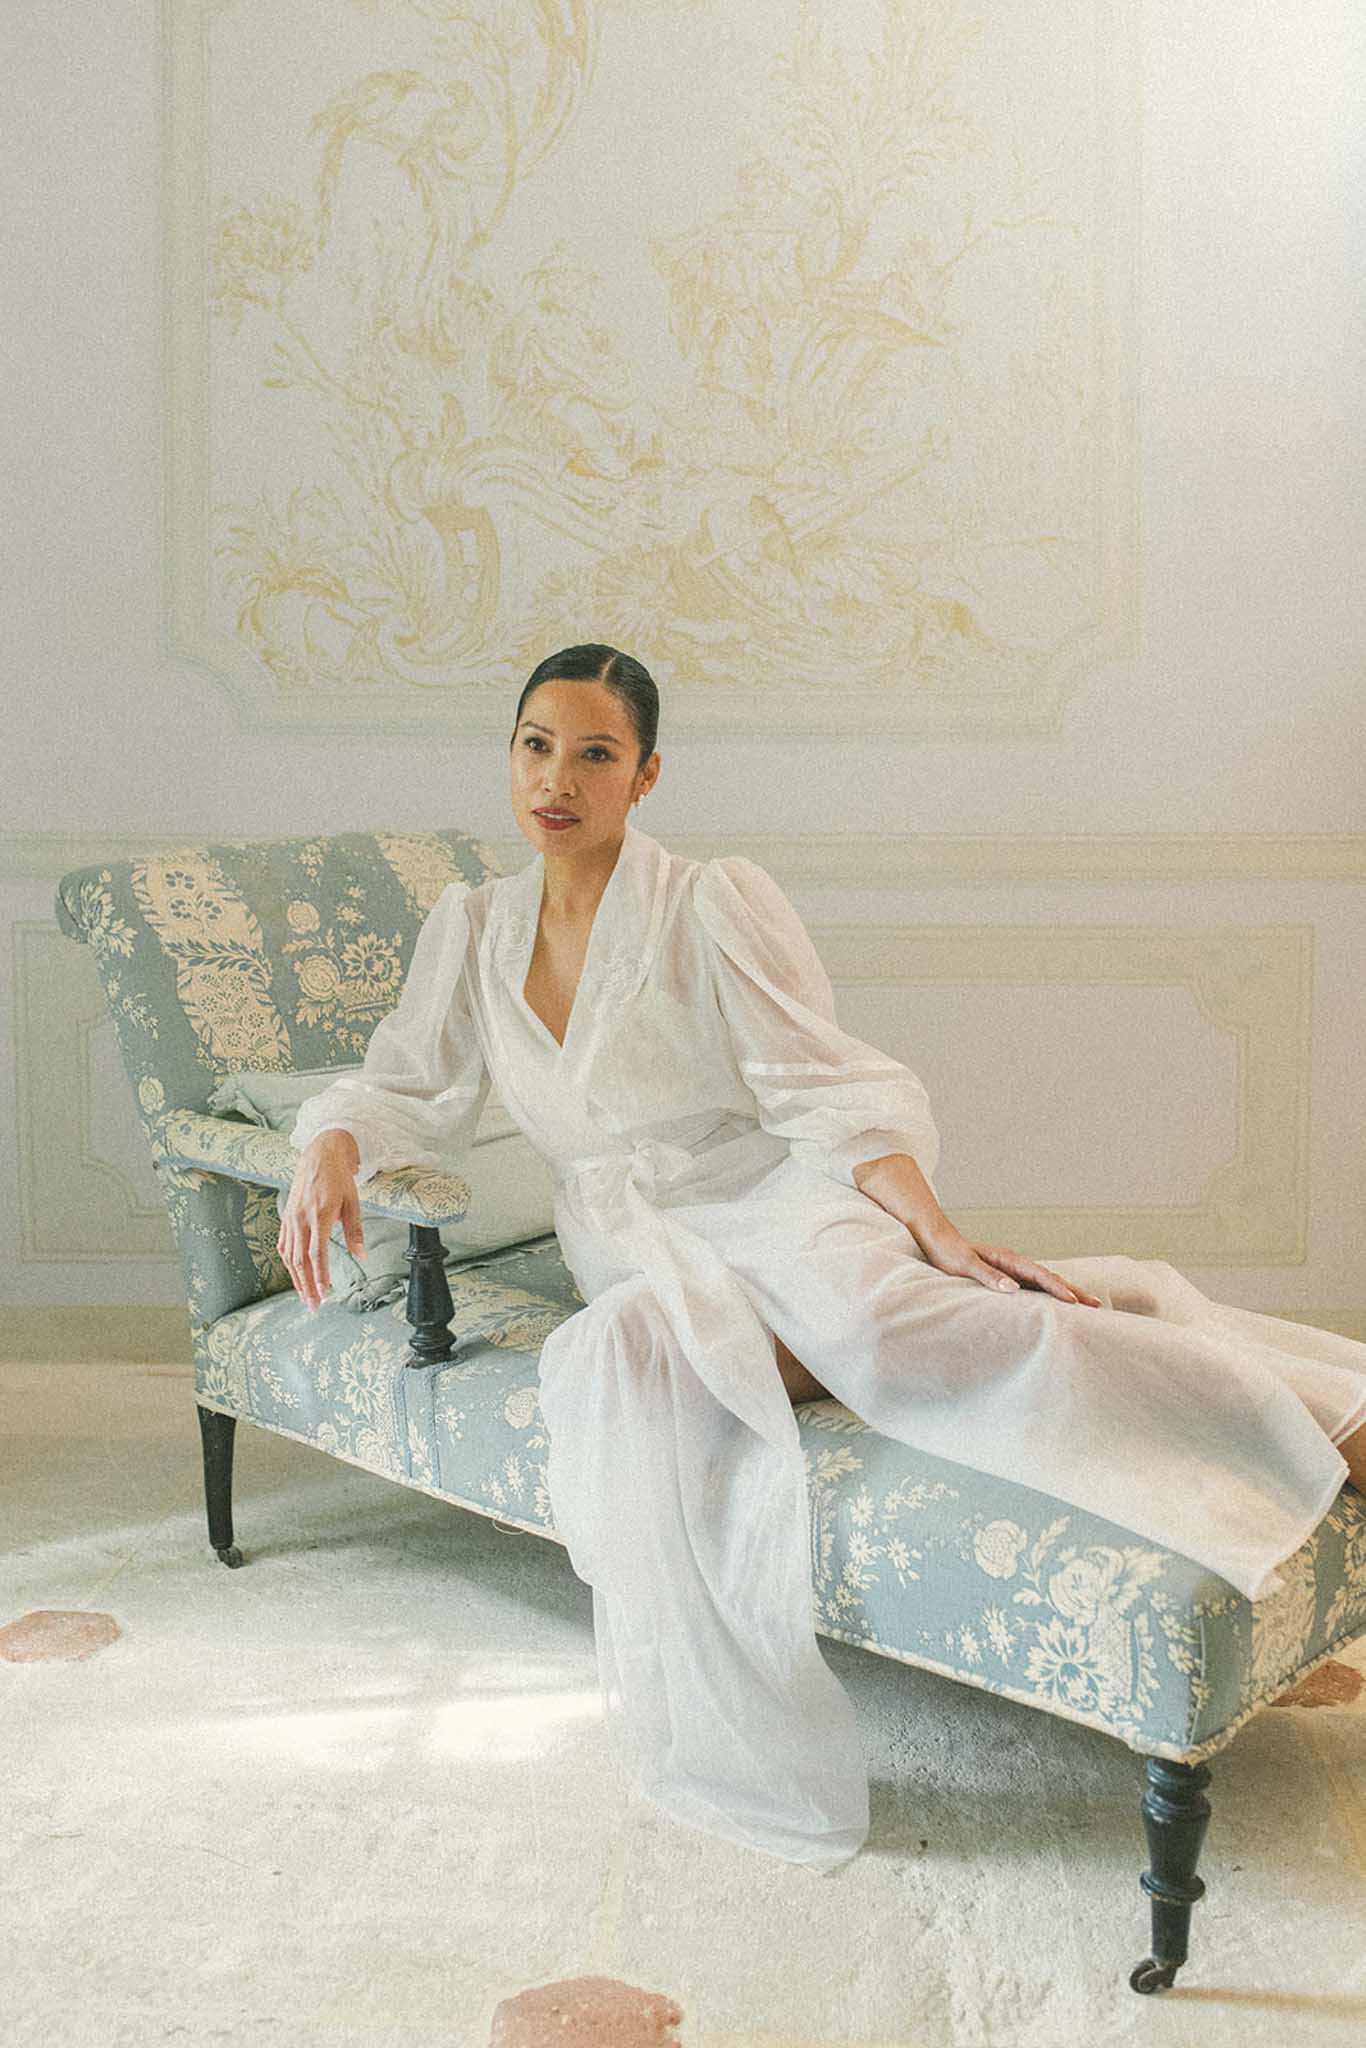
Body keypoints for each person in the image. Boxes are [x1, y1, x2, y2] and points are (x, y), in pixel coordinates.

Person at [279, 643, 1366, 1874]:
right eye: (536, 743)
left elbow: (824, 1091)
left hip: (774, 1198)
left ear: (644, 776)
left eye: (595, 752)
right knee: (641, 1359)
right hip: (635, 1246)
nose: (557, 778)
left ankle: (1327, 1426)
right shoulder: (473, 928)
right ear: (510, 754)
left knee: (925, 1327)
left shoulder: (707, 900)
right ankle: (1150, 1350)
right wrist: (332, 1139)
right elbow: (404, 1083)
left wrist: (934, 1228)